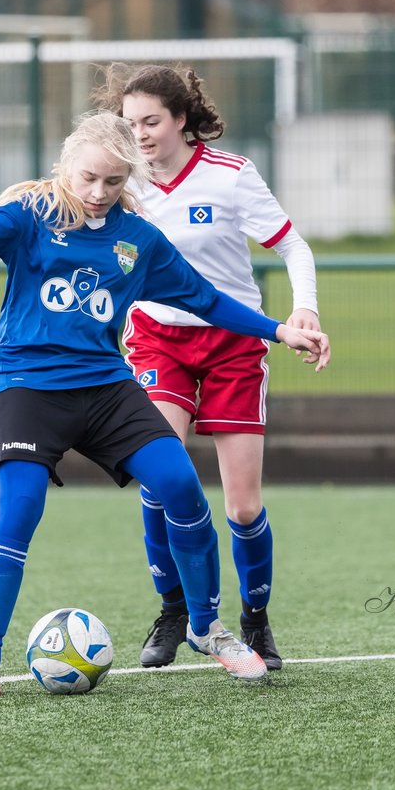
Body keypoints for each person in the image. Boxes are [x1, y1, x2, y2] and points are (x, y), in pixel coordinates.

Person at [0, 111, 329, 698]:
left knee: (181, 485)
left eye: (114, 182)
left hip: (103, 385)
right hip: (24, 384)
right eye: (88, 178)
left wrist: (278, 328)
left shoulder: (137, 240)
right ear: (66, 166)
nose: (98, 193)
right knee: (20, 509)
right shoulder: (28, 215)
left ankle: (207, 626)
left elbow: (206, 300)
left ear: (129, 180)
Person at [92, 64, 323, 671]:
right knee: (161, 477)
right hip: (156, 341)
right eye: (130, 122)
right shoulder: (123, 182)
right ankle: (174, 610)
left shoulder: (231, 176)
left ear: (181, 120)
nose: (139, 134)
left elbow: (292, 246)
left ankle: (256, 620)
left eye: (151, 122)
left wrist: (304, 312)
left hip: (233, 343)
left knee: (243, 506)